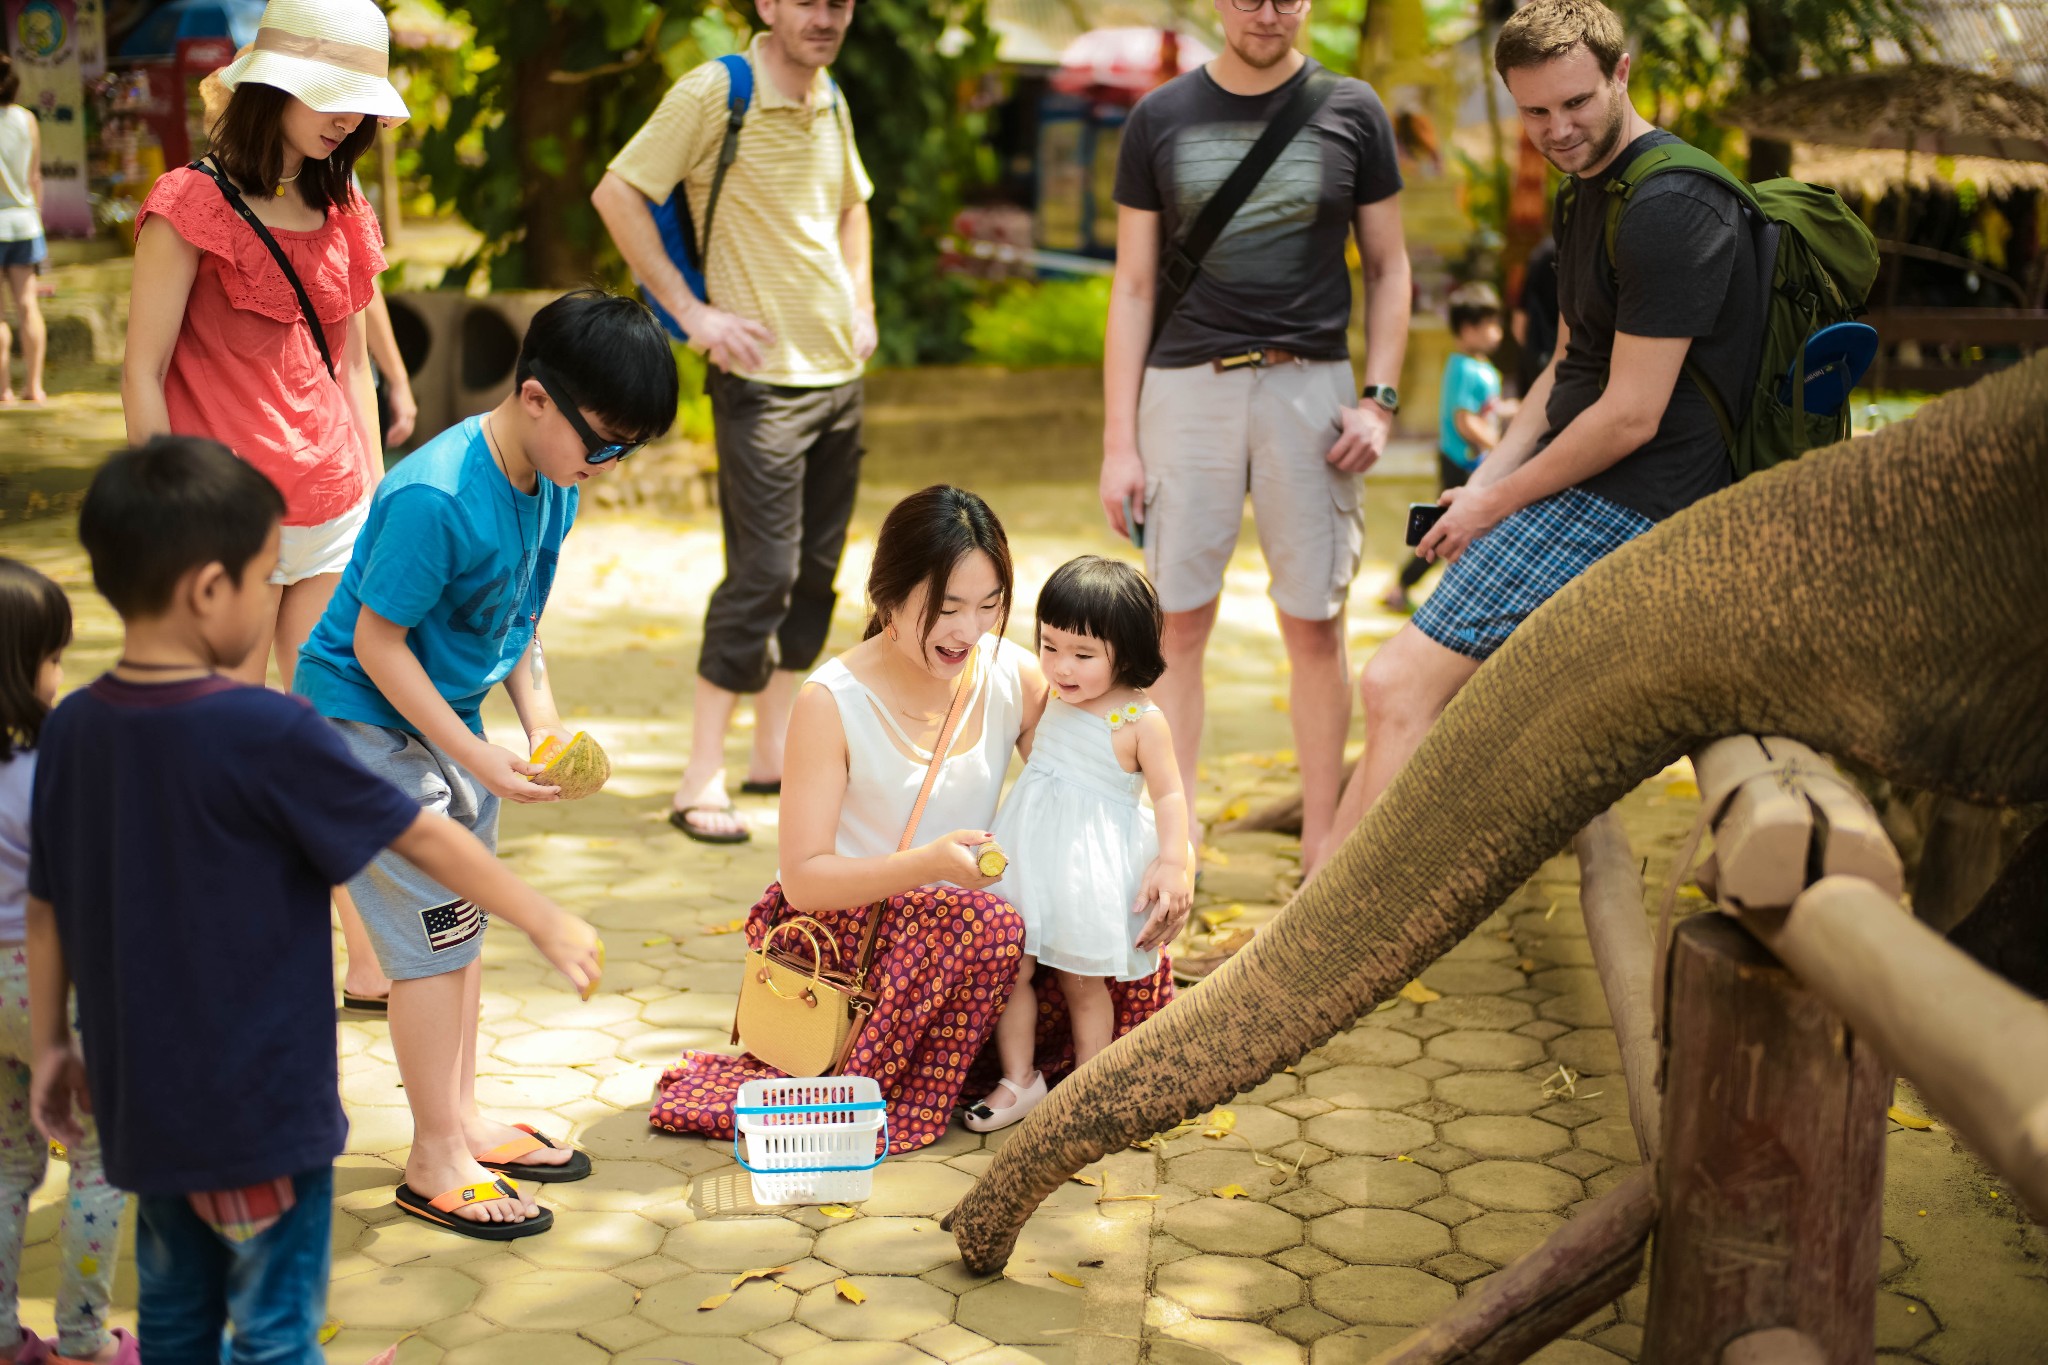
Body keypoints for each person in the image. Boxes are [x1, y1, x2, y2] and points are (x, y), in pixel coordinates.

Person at [26, 437, 601, 1360]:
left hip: (141, 1102)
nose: (278, 604)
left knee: (178, 1318)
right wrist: (538, 912)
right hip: (265, 1106)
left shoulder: (78, 728)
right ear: (210, 590)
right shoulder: (270, 728)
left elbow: (46, 899)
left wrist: (52, 1042)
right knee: (277, 1328)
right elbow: (415, 832)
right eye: (266, 579)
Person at [1322, 0, 1761, 865]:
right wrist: (1486, 483)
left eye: (1576, 104)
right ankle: (1330, 903)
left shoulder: (1673, 206)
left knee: (1396, 681)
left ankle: (1311, 936)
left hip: (1645, 497)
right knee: (1407, 690)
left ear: (1622, 74)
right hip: (1583, 478)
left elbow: (1631, 414)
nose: (1557, 129)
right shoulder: (1589, 189)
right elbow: (1565, 365)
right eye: (1535, 111)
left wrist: (1498, 504)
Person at [292, 289, 674, 1237]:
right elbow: (377, 646)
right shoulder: (439, 494)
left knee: (459, 928)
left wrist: (539, 729)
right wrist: (474, 753)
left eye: (628, 448)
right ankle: (433, 1160)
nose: (609, 465)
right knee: (428, 941)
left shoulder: (551, 485)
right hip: (363, 730)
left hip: (443, 727)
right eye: (606, 443)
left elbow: (520, 625)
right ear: (538, 400)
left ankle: (458, 1121)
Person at [650, 488, 1183, 1150]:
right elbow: (806, 880)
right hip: (862, 932)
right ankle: (949, 1066)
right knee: (992, 923)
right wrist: (929, 865)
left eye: (989, 605)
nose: (970, 629)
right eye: (948, 607)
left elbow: (1092, 777)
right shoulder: (830, 700)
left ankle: (1053, 1079)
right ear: (889, 598)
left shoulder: (1009, 672)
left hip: (973, 931)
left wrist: (1168, 862)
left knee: (1105, 925)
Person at [1098, 0, 1412, 880]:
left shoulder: (1353, 110)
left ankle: (1324, 842)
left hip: (1310, 387)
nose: (1266, 11)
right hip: (1184, 389)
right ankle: (1174, 841)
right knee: (1177, 626)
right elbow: (1130, 287)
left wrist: (1380, 401)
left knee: (1314, 622)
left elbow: (1390, 268)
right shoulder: (1159, 117)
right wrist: (1118, 441)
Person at [593, 0, 876, 845]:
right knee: (763, 574)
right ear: (768, 5)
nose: (826, 17)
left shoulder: (832, 96)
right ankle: (698, 776)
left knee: (818, 574)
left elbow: (853, 206)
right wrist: (689, 313)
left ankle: (772, 752)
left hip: (840, 377)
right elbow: (618, 191)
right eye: (809, 1)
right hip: (760, 384)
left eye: (841, 3)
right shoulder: (719, 92)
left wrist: (861, 302)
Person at [122, 0, 405, 691]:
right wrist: (165, 516)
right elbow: (141, 373)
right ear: (274, 84)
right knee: (228, 727)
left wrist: (374, 502)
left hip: (337, 509)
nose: (348, 120)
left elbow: (351, 364)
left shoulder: (344, 209)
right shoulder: (189, 204)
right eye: (334, 98)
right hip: (225, 515)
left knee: (328, 728)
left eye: (360, 105)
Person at [966, 557, 1192, 1132]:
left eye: (1083, 655)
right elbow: (1047, 767)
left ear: (1128, 650)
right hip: (1028, 851)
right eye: (1050, 646)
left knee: (1082, 982)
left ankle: (1091, 1090)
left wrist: (1173, 861)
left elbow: (1168, 796)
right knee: (1009, 967)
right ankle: (1020, 1080)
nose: (1062, 666)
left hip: (1086, 868)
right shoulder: (1051, 696)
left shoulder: (1139, 718)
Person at [0, 562, 133, 1365]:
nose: (59, 676)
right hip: (46, 987)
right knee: (96, 1158)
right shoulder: (51, 768)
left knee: (8, 1160)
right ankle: (84, 1338)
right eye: (52, 657)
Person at [1382, 283, 1511, 613]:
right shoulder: (1467, 369)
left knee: (1454, 530)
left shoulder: (1473, 366)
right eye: (1491, 326)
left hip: (1466, 463)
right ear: (1469, 329)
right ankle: (1403, 584)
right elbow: (1465, 420)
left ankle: (1407, 585)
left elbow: (1487, 409)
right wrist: (1501, 446)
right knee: (1450, 531)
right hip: (1460, 464)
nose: (1499, 333)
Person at [0, 58, 46, 406]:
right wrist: (38, 219)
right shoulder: (27, 119)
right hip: (25, 223)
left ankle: (4, 391)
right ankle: (35, 387)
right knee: (28, 305)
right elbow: (34, 177)